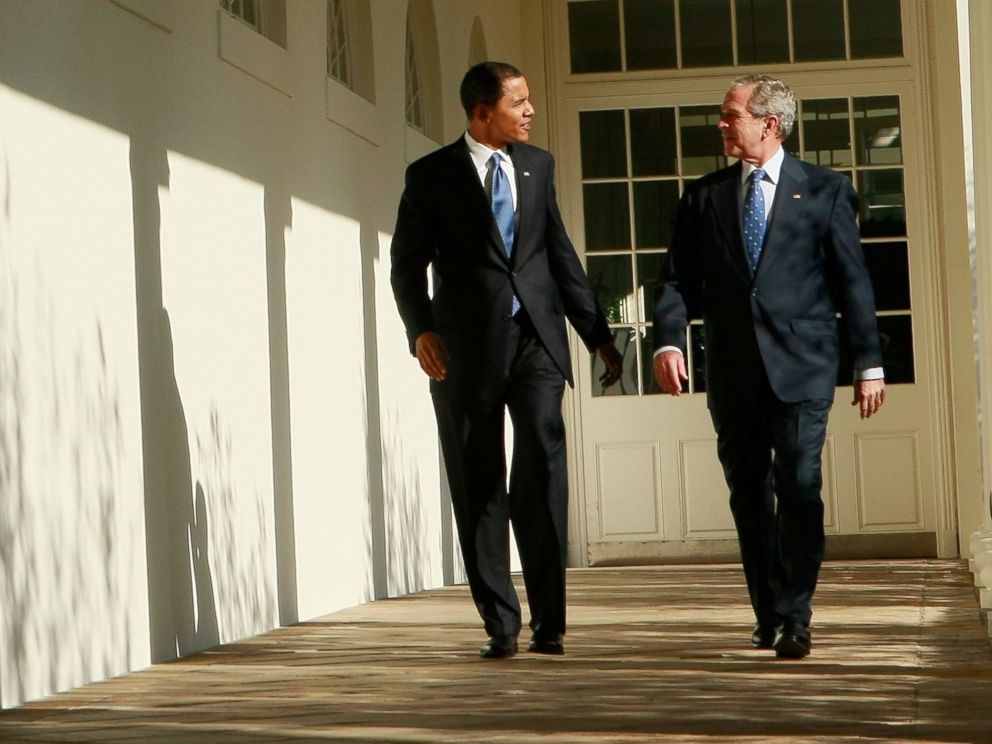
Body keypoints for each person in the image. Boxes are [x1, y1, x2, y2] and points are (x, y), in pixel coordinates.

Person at [390, 61, 623, 659]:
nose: (530, 111)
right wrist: (420, 331)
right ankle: (500, 622)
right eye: (518, 102)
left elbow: (558, 252)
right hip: (463, 353)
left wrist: (596, 334)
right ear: (481, 111)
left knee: (543, 468)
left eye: (529, 100)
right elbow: (406, 265)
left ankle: (551, 622)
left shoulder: (537, 166)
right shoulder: (431, 175)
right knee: (479, 483)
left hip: (536, 342)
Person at [653, 74, 886, 659]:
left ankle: (795, 616)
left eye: (732, 114)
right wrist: (668, 341)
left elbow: (851, 281)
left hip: (803, 368)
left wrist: (869, 362)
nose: (723, 124)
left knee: (800, 487)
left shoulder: (826, 190)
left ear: (770, 124)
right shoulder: (702, 198)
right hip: (734, 373)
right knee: (749, 495)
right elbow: (678, 279)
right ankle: (767, 611)